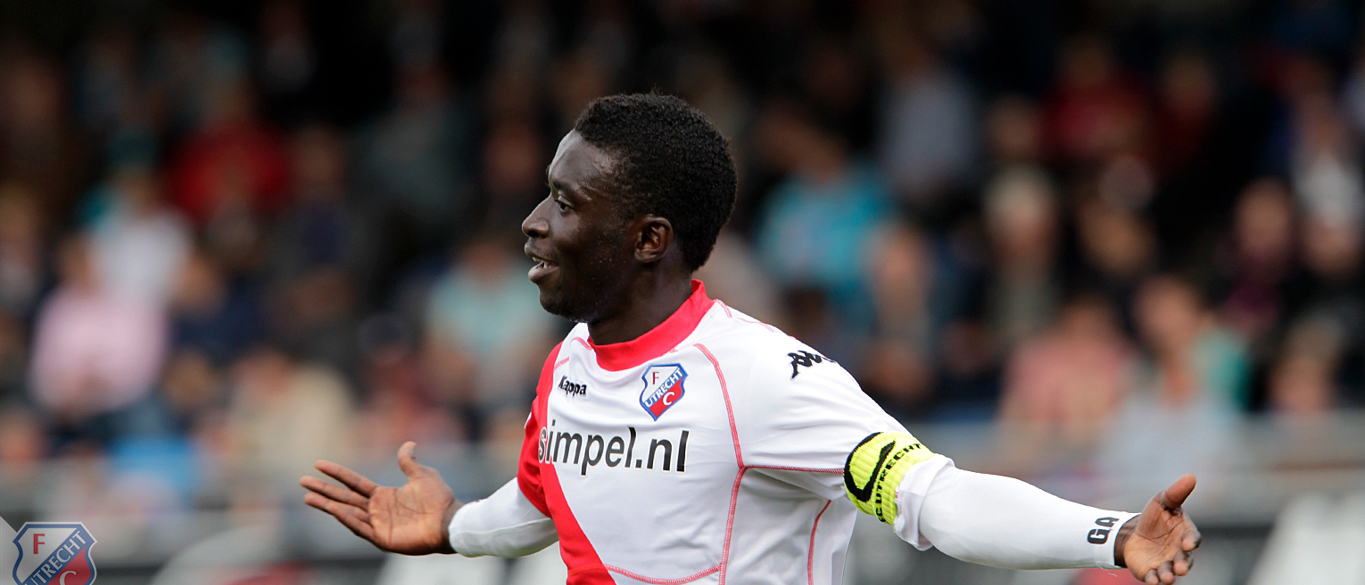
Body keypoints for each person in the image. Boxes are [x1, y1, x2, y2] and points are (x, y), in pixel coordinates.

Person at [302, 94, 1200, 585]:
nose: (533, 222)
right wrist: (453, 528)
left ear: (649, 238)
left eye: (565, 203)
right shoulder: (569, 366)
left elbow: (933, 498)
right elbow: (543, 505)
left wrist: (1112, 532)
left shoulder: (763, 377)